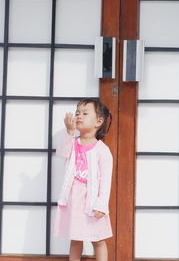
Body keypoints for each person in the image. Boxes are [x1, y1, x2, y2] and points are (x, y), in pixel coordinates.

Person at [53, 99, 113, 261]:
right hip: (74, 199)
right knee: (76, 237)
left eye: (85, 113)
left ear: (98, 122)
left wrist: (101, 204)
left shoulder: (102, 150)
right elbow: (62, 152)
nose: (79, 116)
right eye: (77, 112)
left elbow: (106, 180)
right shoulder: (73, 143)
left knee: (98, 239)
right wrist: (69, 132)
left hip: (92, 201)